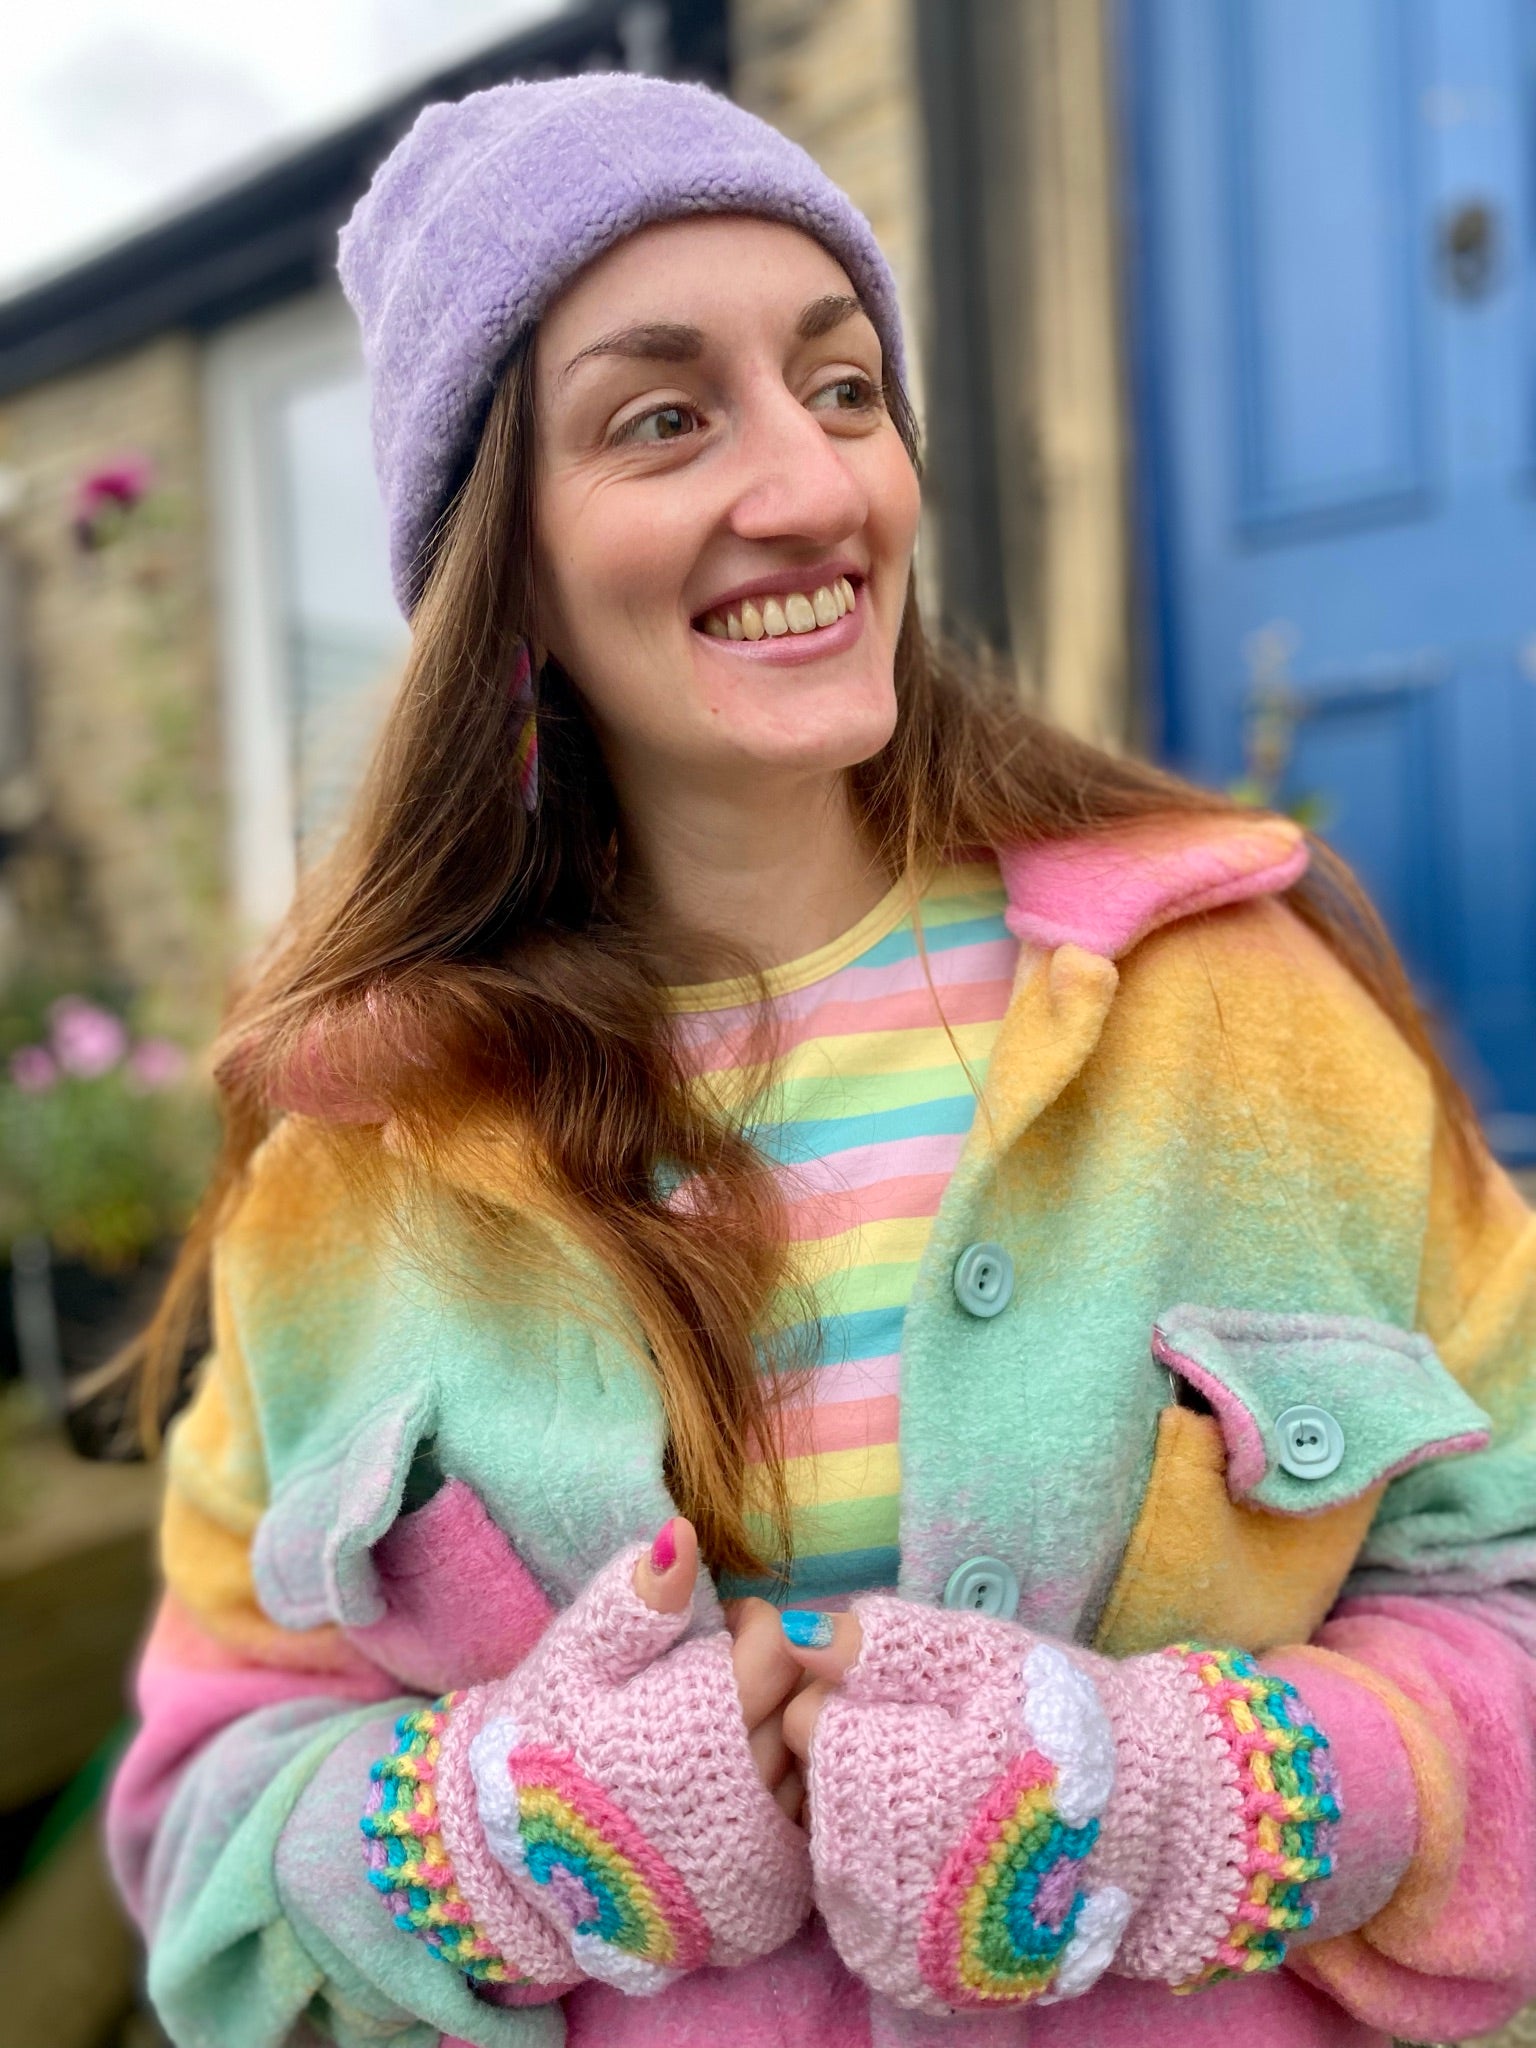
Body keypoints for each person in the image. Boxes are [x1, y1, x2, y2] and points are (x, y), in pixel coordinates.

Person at [106, 73, 1536, 2048]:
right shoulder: (365, 1161)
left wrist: (1214, 1797)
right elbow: (204, 1827)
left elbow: (1511, 1589)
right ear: (500, 567)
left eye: (846, 387)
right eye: (665, 416)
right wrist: (495, 1839)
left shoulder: (1244, 1009)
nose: (812, 487)